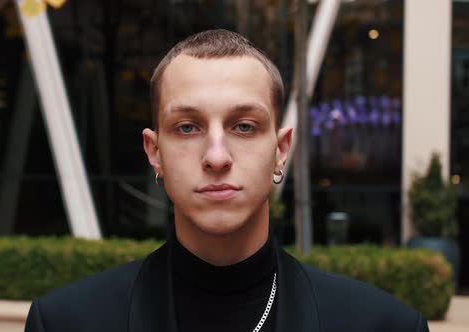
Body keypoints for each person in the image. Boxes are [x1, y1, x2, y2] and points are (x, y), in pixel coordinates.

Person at [24, 29, 429, 332]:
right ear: (154, 153)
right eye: (187, 127)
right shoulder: (64, 323)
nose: (216, 157)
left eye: (244, 126)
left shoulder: (386, 327)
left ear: (281, 150)